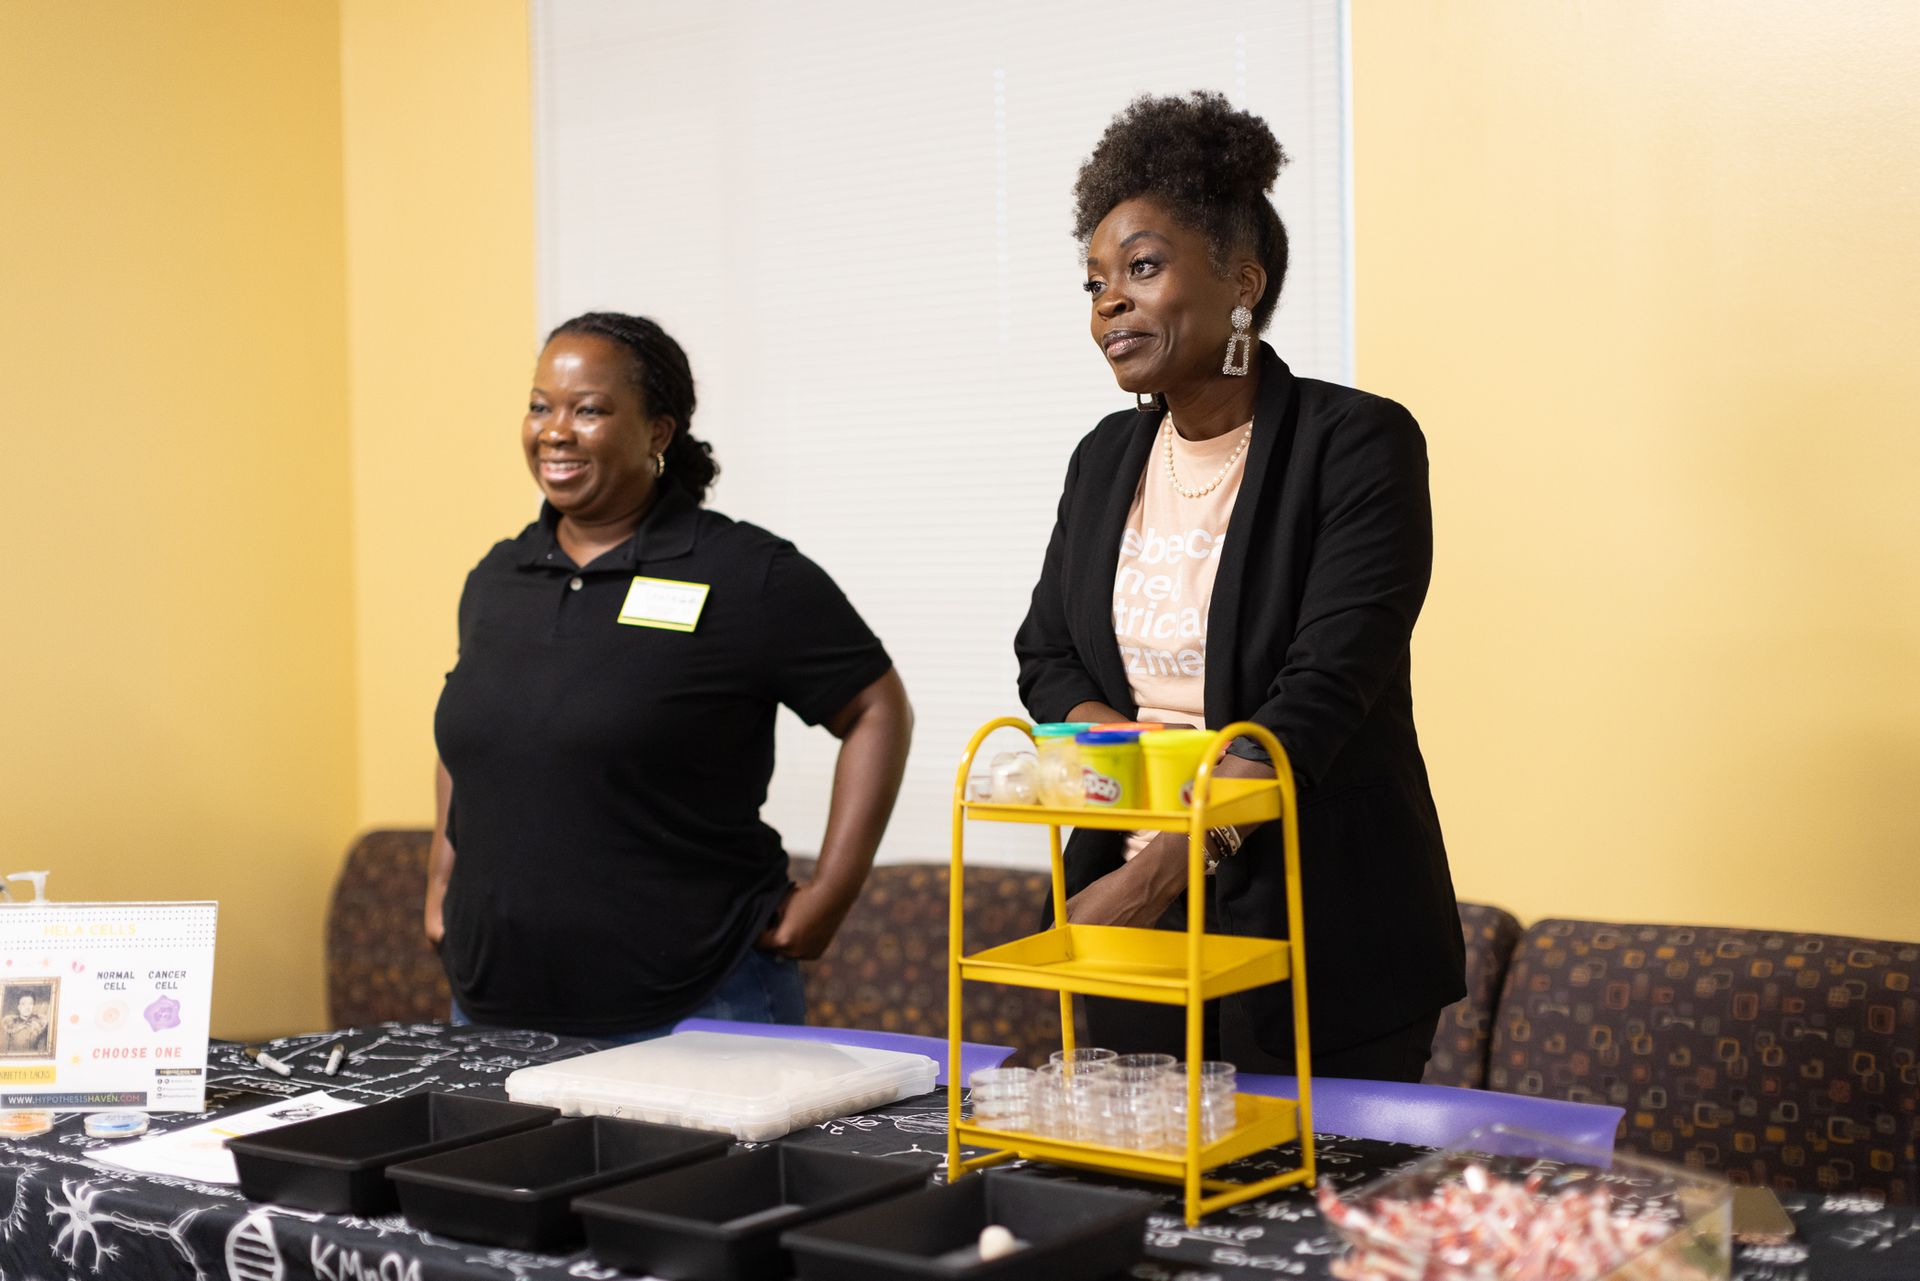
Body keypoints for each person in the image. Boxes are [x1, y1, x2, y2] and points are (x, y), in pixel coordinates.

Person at [1015, 93, 1465, 1082]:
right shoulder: (1104, 459)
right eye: (1094, 282)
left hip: (1321, 928)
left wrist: (1167, 864)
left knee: (1300, 1228)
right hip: (1130, 915)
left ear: (1242, 283)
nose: (1109, 303)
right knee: (1144, 1214)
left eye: (1142, 267)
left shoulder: (1355, 445)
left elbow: (1318, 697)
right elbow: (1045, 654)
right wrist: (1119, 752)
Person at [427, 312, 913, 1040]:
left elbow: (878, 707)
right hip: (495, 1005)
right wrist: (442, 875)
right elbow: (468, 737)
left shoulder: (746, 573)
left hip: (697, 1005)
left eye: (588, 409)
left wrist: (832, 895)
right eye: (540, 405)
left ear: (658, 432)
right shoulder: (497, 577)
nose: (555, 429)